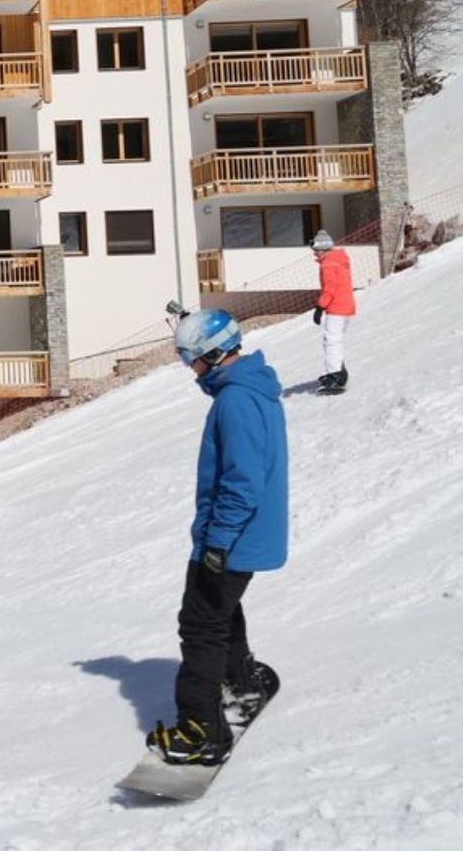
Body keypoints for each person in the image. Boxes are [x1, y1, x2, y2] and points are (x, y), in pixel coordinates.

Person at [147, 308, 288, 766]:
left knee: (201, 625)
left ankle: (202, 731)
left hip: (231, 535)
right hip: (241, 534)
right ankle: (240, 680)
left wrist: (218, 540)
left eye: (190, 358)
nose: (189, 368)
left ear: (210, 354)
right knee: (221, 609)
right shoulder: (251, 387)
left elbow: (242, 480)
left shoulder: (235, 401)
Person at [311, 230, 355, 392]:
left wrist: (320, 306)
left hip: (336, 306)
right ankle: (338, 370)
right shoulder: (338, 259)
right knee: (336, 339)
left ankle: (335, 375)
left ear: (323, 248)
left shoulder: (328, 263)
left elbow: (330, 288)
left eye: (315, 248)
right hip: (345, 305)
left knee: (331, 340)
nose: (314, 253)